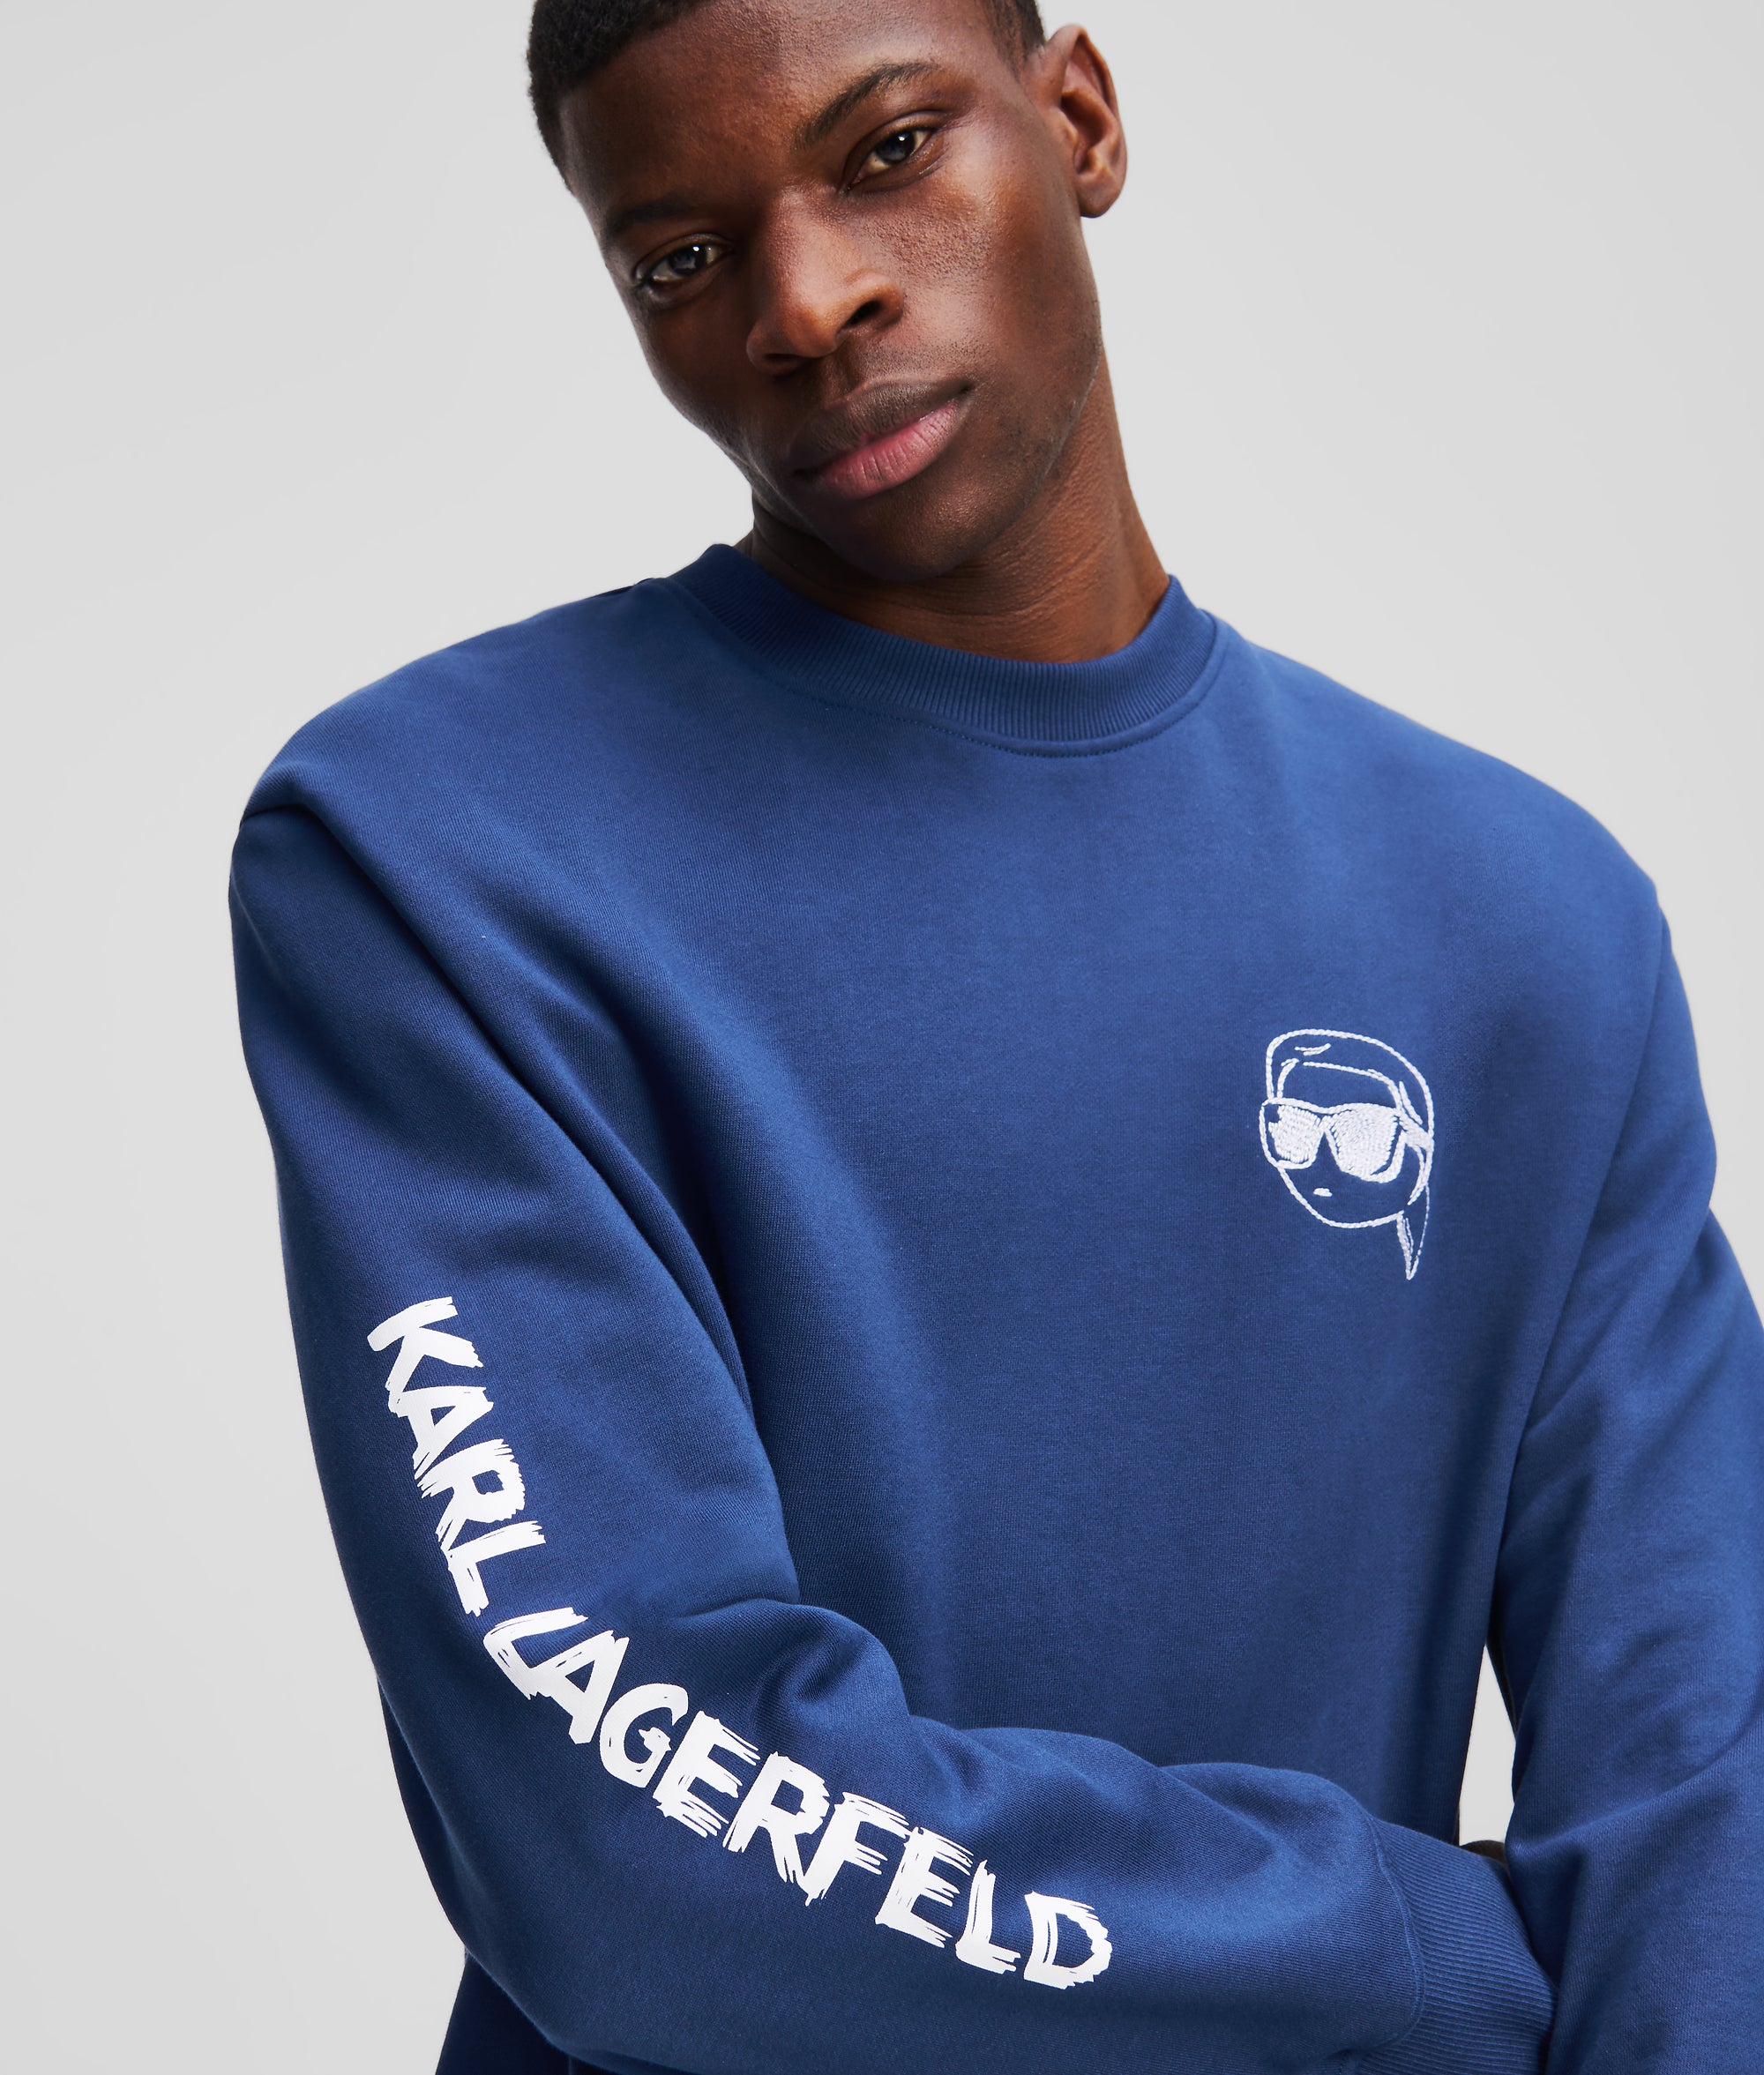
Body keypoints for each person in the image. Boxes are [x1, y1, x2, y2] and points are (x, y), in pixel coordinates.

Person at [228, 2, 1763, 2070]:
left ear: (1081, 122)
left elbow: (1701, 1782)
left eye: (885, 152)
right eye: (679, 256)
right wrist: (1407, 1950)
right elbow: (629, 1835)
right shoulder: (444, 847)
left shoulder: (1524, 921)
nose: (804, 303)